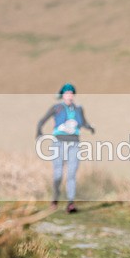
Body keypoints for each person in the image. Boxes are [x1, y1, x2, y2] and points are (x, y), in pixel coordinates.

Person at [36, 83, 95, 213]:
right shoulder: (56, 108)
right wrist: (39, 131)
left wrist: (90, 127)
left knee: (72, 174)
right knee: (58, 174)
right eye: (67, 93)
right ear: (63, 95)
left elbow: (83, 122)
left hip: (74, 143)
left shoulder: (79, 109)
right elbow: (42, 120)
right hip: (59, 143)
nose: (69, 95)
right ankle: (55, 198)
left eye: (71, 93)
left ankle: (70, 203)